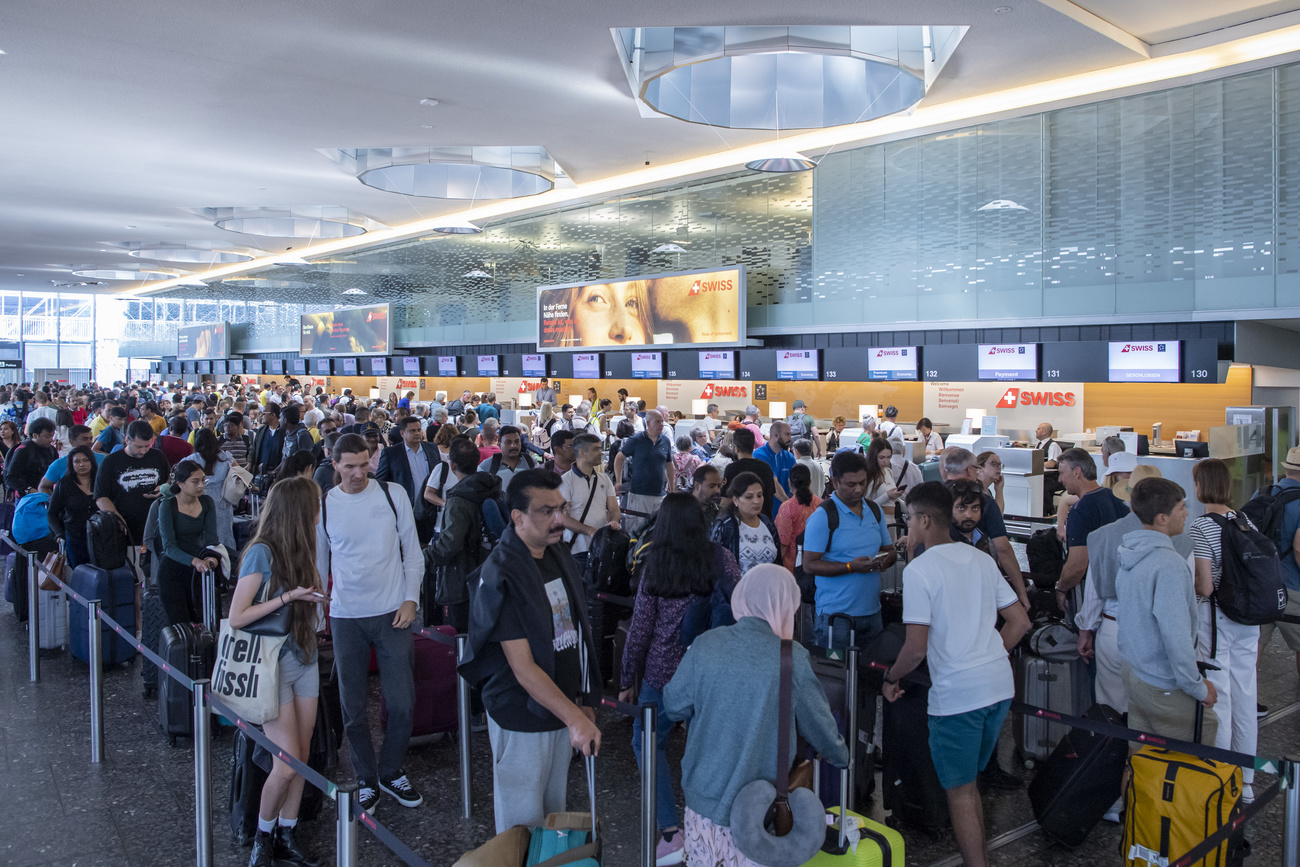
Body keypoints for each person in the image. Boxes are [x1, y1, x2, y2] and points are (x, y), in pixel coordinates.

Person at [882, 482, 1030, 867]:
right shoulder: (981, 559)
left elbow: (915, 647)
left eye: (909, 519)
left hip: (958, 698)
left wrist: (891, 678)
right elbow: (1018, 622)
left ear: (925, 520)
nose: (908, 527)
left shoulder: (920, 570)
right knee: (971, 785)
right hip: (998, 688)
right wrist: (985, 657)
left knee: (960, 793)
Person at [661, 564, 848, 867]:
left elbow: (673, 705)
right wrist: (840, 755)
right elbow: (821, 728)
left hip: (703, 806)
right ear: (788, 606)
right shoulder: (793, 657)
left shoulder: (706, 645)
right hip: (761, 817)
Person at [458, 469, 604, 834]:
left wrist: (584, 699)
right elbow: (522, 667)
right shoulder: (503, 571)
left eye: (561, 509)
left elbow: (576, 629)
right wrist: (574, 717)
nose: (559, 520)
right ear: (518, 517)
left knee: (553, 815)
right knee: (522, 823)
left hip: (560, 704)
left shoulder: (554, 553)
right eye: (546, 511)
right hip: (522, 712)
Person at [618, 493, 741, 864]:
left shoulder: (657, 563)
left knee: (647, 742)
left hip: (663, 672)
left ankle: (671, 830)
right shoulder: (722, 557)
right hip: (711, 669)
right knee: (709, 748)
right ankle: (715, 825)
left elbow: (641, 628)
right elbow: (741, 608)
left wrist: (626, 677)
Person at [315, 433, 424, 816]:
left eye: (365, 464)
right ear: (335, 467)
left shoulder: (392, 495)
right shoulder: (326, 506)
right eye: (350, 467)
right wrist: (318, 615)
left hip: (393, 611)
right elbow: (319, 564)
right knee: (352, 705)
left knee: (403, 702)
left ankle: (391, 770)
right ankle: (365, 776)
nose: (360, 473)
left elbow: (412, 552)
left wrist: (411, 598)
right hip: (347, 615)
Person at [227, 476, 327, 867]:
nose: (320, 512)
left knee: (300, 757)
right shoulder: (261, 553)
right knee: (285, 763)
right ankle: (263, 836)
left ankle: (288, 831)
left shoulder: (301, 550)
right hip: (271, 664)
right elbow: (237, 615)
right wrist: (290, 596)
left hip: (303, 657)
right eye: (315, 505)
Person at [1117, 477, 1218, 745]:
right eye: (1182, 508)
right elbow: (1176, 636)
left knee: (1142, 760)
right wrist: (1198, 687)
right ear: (1162, 518)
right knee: (1197, 754)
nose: (1187, 514)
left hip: (1135, 673)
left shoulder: (1130, 551)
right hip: (1162, 683)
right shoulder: (1168, 564)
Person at [1190, 459, 1261, 800]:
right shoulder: (1245, 521)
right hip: (1249, 620)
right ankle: (1245, 780)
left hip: (1217, 621)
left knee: (1219, 697)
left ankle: (1218, 777)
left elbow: (1204, 586)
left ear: (1200, 486)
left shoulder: (1202, 528)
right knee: (1246, 694)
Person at [801, 451, 896, 650]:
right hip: (836, 616)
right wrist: (849, 567)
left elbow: (889, 550)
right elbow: (809, 565)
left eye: (862, 483)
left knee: (870, 676)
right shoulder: (824, 516)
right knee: (836, 676)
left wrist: (886, 560)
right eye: (851, 484)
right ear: (835, 483)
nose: (858, 489)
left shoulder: (874, 510)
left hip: (872, 612)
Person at [426, 439, 507, 632]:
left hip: (461, 580)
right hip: (493, 573)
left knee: (460, 637)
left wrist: (425, 557)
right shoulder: (495, 489)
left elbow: (449, 544)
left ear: (452, 464)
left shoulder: (459, 499)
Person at [938, 448, 1031, 610]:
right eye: (976, 468)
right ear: (969, 470)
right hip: (975, 579)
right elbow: (1003, 549)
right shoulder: (983, 501)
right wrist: (1021, 592)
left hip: (939, 580)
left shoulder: (932, 498)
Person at [1054, 448, 1130, 615]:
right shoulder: (1114, 498)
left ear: (1077, 472)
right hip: (1120, 590)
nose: (1059, 479)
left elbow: (1077, 565)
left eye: (1061, 473)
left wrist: (1061, 588)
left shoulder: (1080, 510)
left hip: (1093, 594)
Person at [156, 460, 220, 626]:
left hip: (198, 570)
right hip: (172, 571)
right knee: (180, 626)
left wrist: (213, 557)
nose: (201, 485)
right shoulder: (167, 506)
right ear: (181, 484)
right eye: (195, 481)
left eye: (203, 480)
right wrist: (195, 561)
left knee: (203, 623)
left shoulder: (207, 502)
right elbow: (169, 547)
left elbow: (211, 539)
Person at [1259, 446, 1300, 680]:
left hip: (1261, 583)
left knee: (1254, 646)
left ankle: (1245, 700)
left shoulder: (1263, 493)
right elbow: (1299, 548)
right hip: (1292, 585)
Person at [709, 472, 781, 591]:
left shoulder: (767, 523)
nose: (756, 501)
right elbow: (713, 567)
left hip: (768, 597)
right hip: (736, 597)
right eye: (749, 497)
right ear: (735, 500)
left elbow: (778, 563)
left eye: (759, 495)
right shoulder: (725, 526)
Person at [559, 433, 619, 571]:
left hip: (601, 548)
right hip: (577, 550)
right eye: (595, 449)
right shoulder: (566, 481)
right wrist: (591, 532)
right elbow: (563, 518)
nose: (600, 453)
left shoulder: (604, 479)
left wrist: (614, 521)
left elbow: (614, 509)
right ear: (581, 453)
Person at [376, 415, 441, 545]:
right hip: (405, 510)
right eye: (412, 431)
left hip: (430, 509)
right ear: (402, 433)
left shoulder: (432, 448)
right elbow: (380, 482)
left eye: (419, 430)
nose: (417, 434)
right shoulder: (391, 453)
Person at [614, 410, 673, 534]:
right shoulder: (636, 439)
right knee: (636, 531)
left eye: (662, 421)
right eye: (658, 422)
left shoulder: (665, 441)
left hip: (659, 495)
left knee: (657, 532)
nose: (661, 424)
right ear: (648, 423)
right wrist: (618, 481)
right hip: (639, 495)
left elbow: (669, 465)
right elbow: (619, 458)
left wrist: (672, 486)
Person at [47, 445, 98, 569]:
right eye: (77, 461)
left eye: (86, 460)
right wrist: (58, 534)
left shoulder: (101, 481)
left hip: (101, 537)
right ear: (72, 464)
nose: (82, 465)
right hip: (75, 538)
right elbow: (51, 513)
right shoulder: (64, 484)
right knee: (79, 574)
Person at [188, 428, 236, 551]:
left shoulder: (191, 460)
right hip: (223, 501)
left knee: (202, 537)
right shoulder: (225, 457)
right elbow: (240, 473)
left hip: (199, 500)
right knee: (223, 536)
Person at [719, 427, 778, 519]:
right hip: (765, 520)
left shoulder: (732, 468)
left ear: (737, 448)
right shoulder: (766, 467)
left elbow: (726, 500)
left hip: (742, 522)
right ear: (753, 446)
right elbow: (771, 494)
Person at [774, 463, 821, 573]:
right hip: (816, 564)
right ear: (810, 482)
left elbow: (783, 544)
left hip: (792, 568)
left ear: (789, 482)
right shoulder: (820, 504)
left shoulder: (787, 507)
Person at [5, 416, 59, 497]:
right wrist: (30, 490)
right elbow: (10, 478)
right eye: (47, 436)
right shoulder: (23, 450)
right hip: (26, 498)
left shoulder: (52, 451)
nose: (51, 440)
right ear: (35, 435)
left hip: (45, 495)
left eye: (52, 436)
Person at [38, 425, 101, 494]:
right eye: (85, 439)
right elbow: (43, 487)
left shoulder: (103, 459)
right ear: (72, 442)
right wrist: (54, 501)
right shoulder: (59, 464)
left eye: (90, 438)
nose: (89, 442)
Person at [753, 420, 794, 516]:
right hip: (766, 513)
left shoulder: (789, 457)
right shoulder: (759, 455)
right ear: (776, 435)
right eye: (787, 434)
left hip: (785, 514)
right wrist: (790, 506)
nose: (790, 438)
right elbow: (773, 483)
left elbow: (795, 482)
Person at [251, 404, 283, 479]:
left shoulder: (284, 432)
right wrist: (250, 463)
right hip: (261, 473)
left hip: (278, 474)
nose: (261, 415)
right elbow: (254, 449)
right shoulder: (261, 431)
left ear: (273, 415)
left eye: (264, 413)